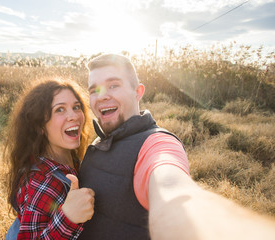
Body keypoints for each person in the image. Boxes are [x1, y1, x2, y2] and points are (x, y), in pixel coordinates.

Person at [78, 54, 275, 240]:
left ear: (138, 92)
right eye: (94, 89)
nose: (102, 96)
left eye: (113, 85)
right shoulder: (99, 140)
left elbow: (174, 193)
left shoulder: (156, 143)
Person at [4, 79, 95, 240]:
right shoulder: (42, 182)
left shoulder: (69, 159)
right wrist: (68, 218)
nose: (73, 116)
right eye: (60, 109)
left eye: (76, 107)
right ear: (39, 126)